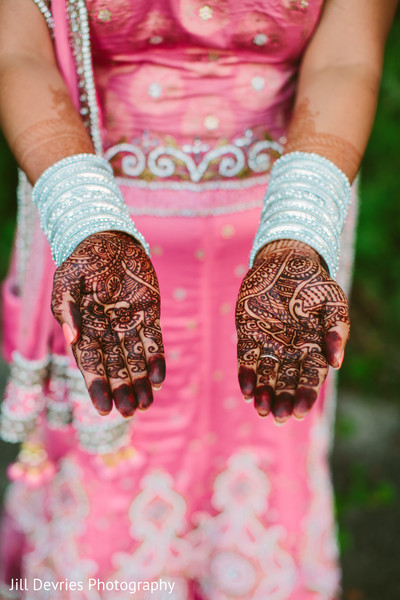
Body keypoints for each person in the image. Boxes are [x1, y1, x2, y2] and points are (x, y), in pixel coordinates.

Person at [0, 0, 397, 598]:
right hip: (99, 252)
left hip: (277, 255)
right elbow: (16, 51)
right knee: (106, 472)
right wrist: (84, 220)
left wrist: (299, 230)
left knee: (264, 450)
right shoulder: (89, 235)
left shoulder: (290, 248)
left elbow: (345, 57)